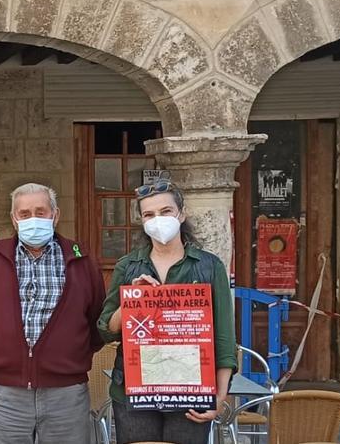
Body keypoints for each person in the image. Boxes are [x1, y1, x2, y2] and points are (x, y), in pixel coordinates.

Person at [0, 182, 105, 444]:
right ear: (14, 219)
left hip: (66, 392)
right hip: (6, 393)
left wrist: (71, 355)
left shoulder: (81, 260)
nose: (33, 219)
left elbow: (97, 317)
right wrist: (5, 353)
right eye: (25, 214)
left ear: (55, 215)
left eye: (41, 212)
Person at [99, 180, 237, 444]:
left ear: (181, 214)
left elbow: (224, 339)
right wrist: (132, 299)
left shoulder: (209, 266)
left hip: (191, 392)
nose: (158, 220)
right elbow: (105, 329)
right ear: (141, 220)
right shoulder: (127, 267)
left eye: (166, 211)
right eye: (149, 214)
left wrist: (219, 398)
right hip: (134, 392)